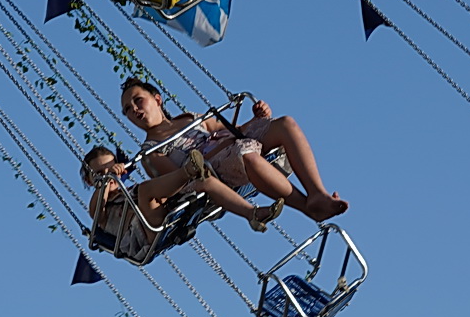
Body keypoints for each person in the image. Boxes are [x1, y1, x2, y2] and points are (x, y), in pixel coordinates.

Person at [119, 79, 348, 221]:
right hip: (214, 167)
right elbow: (183, 177)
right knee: (246, 156)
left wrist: (256, 118)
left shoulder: (189, 118)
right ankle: (308, 208)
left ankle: (317, 193)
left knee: (285, 124)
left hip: (234, 143)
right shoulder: (151, 150)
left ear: (157, 99)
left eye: (138, 101)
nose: (135, 110)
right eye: (128, 110)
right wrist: (214, 150)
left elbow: (233, 130)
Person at [83, 146, 283, 259]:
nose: (107, 177)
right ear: (90, 181)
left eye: (111, 170)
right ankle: (188, 171)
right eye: (99, 174)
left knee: (205, 182)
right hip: (143, 236)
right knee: (146, 190)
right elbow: (96, 210)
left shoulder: (130, 191)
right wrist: (104, 185)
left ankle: (253, 214)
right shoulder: (102, 207)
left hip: (167, 214)